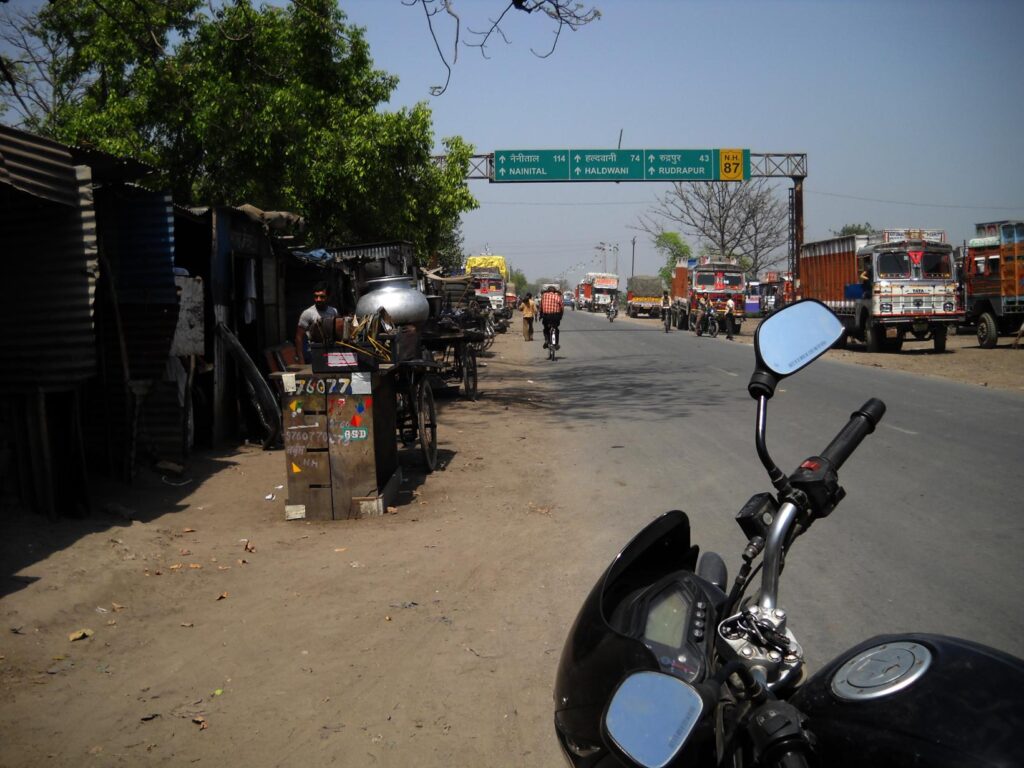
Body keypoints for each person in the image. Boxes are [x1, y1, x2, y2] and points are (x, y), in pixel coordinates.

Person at [295, 281, 339, 363]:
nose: (318, 299)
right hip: (314, 354)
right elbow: (298, 338)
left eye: (322, 296)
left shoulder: (333, 311)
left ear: (328, 297)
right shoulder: (307, 313)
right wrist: (301, 359)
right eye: (316, 296)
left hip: (330, 353)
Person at [539, 285, 564, 349]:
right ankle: (556, 344)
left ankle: (547, 340)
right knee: (556, 329)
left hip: (546, 316)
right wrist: (561, 316)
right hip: (555, 316)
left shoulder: (543, 296)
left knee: (546, 329)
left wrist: (540, 315)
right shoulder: (558, 297)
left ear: (548, 291)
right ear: (555, 291)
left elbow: (541, 307)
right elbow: (562, 308)